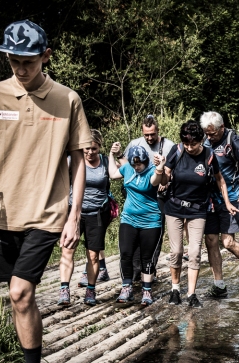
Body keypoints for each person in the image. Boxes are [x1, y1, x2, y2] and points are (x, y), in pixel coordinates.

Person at [0, 20, 92, 363]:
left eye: (27, 60)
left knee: (21, 292)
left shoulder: (66, 99)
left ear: (45, 56)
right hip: (2, 212)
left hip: (47, 211)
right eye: (12, 60)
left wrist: (73, 216)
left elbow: (79, 160)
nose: (20, 68)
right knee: (19, 299)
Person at [161, 120, 238, 308]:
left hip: (198, 209)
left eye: (193, 144)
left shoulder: (209, 155)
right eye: (186, 143)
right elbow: (165, 178)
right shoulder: (177, 151)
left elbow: (220, 180)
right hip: (175, 208)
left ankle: (191, 294)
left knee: (195, 252)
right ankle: (175, 289)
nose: (189, 147)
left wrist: (227, 202)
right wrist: (162, 170)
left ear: (201, 140)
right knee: (177, 252)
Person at [200, 111, 239, 296]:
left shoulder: (231, 138)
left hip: (232, 196)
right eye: (207, 133)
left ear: (221, 127)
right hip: (210, 197)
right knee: (210, 240)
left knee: (227, 242)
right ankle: (219, 284)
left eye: (212, 133)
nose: (209, 137)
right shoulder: (204, 140)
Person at [57, 129, 112, 307]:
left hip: (96, 214)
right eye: (86, 149)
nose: (89, 152)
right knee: (67, 250)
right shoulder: (73, 160)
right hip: (74, 212)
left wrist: (117, 156)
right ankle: (64, 289)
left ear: (99, 148)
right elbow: (59, 179)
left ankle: (91, 289)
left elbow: (120, 172)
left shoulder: (104, 161)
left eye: (94, 149)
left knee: (93, 256)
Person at [119, 115, 176, 281]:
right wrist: (117, 156)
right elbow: (125, 165)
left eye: (152, 134)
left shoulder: (168, 146)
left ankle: (149, 270)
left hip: (161, 196)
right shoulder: (135, 145)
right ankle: (136, 273)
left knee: (152, 238)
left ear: (158, 131)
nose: (149, 138)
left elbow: (177, 169)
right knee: (134, 237)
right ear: (142, 132)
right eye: (146, 135)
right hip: (139, 195)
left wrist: (166, 178)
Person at [107, 145, 164, 305]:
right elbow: (112, 174)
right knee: (125, 253)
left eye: (140, 164)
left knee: (147, 257)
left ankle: (147, 290)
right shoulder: (128, 168)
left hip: (150, 221)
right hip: (129, 219)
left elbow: (155, 182)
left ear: (145, 161)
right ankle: (127, 287)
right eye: (134, 164)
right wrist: (111, 155)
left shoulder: (152, 170)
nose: (137, 167)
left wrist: (160, 167)